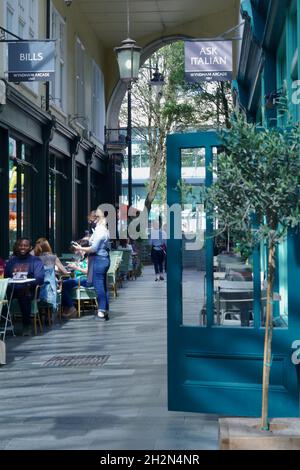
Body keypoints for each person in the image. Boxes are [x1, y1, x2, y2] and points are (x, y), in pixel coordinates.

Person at [73, 207, 110, 320]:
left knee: (99, 285)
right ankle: (105, 309)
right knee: (103, 285)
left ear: (97, 219)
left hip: (99, 259)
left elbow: (94, 248)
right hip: (103, 259)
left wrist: (81, 248)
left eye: (91, 221)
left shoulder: (100, 231)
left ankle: (101, 311)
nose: (90, 223)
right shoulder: (103, 230)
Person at [5, 238, 44, 336]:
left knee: (24, 294)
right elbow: (6, 276)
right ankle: (4, 323)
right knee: (2, 295)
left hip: (29, 289)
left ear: (30, 247)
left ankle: (27, 325)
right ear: (17, 247)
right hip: (13, 288)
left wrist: (29, 284)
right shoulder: (12, 261)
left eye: (25, 245)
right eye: (21, 245)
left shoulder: (35, 261)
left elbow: (40, 278)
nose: (23, 247)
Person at [33, 238, 68, 313]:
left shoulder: (35, 258)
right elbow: (64, 272)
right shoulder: (53, 257)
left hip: (37, 287)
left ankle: (40, 314)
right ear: (48, 246)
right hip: (50, 287)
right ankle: (48, 315)